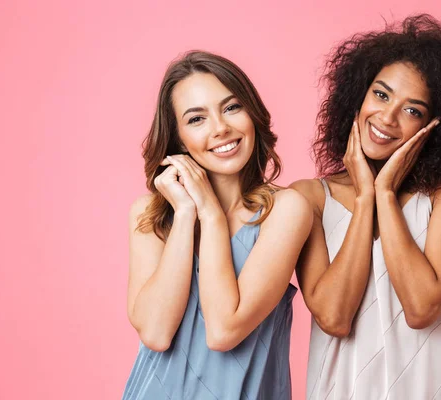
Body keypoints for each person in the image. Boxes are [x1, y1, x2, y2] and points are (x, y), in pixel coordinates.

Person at [291, 14, 441, 399]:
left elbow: (422, 308)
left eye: (412, 109)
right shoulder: (309, 198)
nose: (386, 117)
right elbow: (334, 317)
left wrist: (385, 193)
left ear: (436, 125)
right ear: (359, 93)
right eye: (381, 94)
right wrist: (365, 196)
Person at [123, 51, 312, 399]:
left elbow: (224, 331)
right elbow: (156, 332)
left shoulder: (286, 210)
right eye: (196, 119)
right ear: (178, 138)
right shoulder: (149, 215)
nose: (220, 128)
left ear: (252, 114)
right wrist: (184, 214)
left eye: (231, 107)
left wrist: (210, 215)